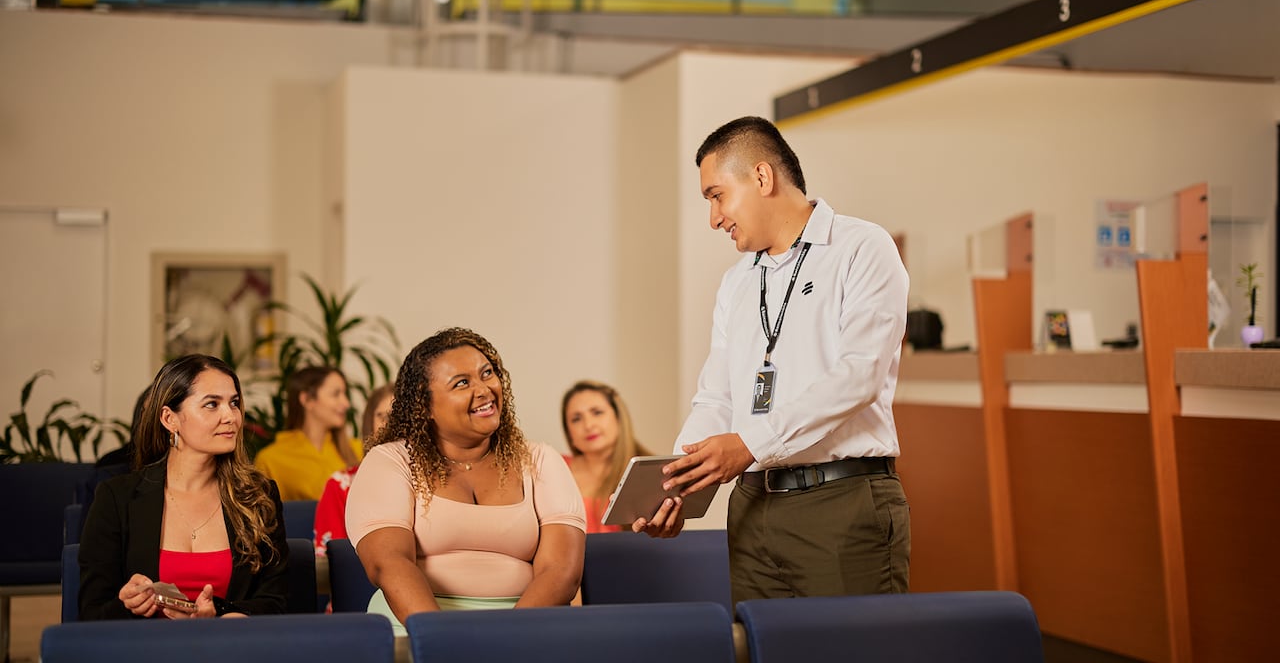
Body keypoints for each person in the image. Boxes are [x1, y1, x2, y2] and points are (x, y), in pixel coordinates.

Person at [636, 116, 911, 605]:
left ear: (762, 178)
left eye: (716, 196)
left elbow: (859, 376)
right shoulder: (737, 283)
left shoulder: (861, 248)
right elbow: (717, 395)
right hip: (752, 507)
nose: (714, 218)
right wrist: (680, 481)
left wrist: (749, 444)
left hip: (841, 504)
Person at [347, 327, 585, 635]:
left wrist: (509, 638)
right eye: (462, 383)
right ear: (425, 405)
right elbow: (389, 563)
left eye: (487, 373)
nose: (484, 389)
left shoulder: (540, 460)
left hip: (527, 626)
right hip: (416, 627)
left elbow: (562, 572)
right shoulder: (390, 461)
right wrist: (441, 640)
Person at [79, 354, 289, 620]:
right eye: (212, 404)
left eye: (234, 403)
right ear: (170, 419)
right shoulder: (117, 497)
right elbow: (91, 612)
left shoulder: (259, 496)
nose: (231, 417)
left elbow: (278, 603)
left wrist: (218, 614)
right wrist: (129, 606)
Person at [254, 366, 363, 501]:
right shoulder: (270, 460)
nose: (346, 403)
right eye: (336, 394)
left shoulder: (357, 449)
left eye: (344, 394)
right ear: (307, 400)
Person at [560, 380, 652, 533]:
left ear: (619, 418)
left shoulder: (648, 472)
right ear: (569, 434)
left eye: (597, 413)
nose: (588, 425)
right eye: (576, 419)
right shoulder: (554, 468)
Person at [313, 383, 393, 555]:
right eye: (382, 417)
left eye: (399, 416)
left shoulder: (437, 482)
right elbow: (333, 561)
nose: (390, 425)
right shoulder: (340, 485)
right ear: (369, 424)